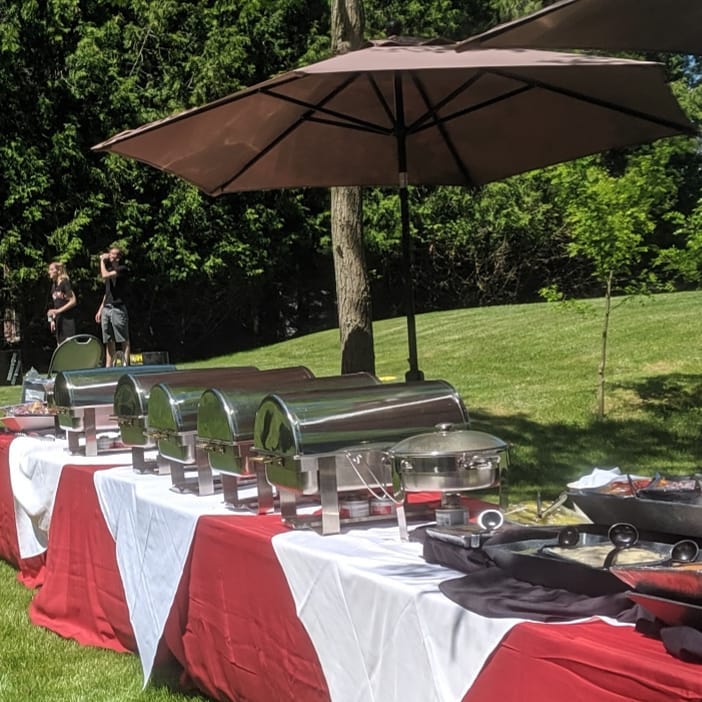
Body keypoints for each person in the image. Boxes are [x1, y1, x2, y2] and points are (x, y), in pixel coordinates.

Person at [95, 244, 130, 366]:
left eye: (112, 254)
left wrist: (101, 261)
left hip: (118, 308)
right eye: (109, 253)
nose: (109, 255)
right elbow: (107, 293)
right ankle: (109, 366)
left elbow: (104, 275)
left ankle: (126, 365)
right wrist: (100, 309)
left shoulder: (122, 269)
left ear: (118, 257)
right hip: (107, 308)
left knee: (123, 338)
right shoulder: (109, 269)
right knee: (108, 339)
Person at [47, 261, 77, 345]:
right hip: (58, 322)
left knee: (69, 347)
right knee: (60, 347)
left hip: (67, 321)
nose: (49, 272)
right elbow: (52, 309)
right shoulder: (54, 286)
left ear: (58, 271)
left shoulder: (65, 283)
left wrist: (58, 311)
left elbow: (73, 301)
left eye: (51, 269)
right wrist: (51, 320)